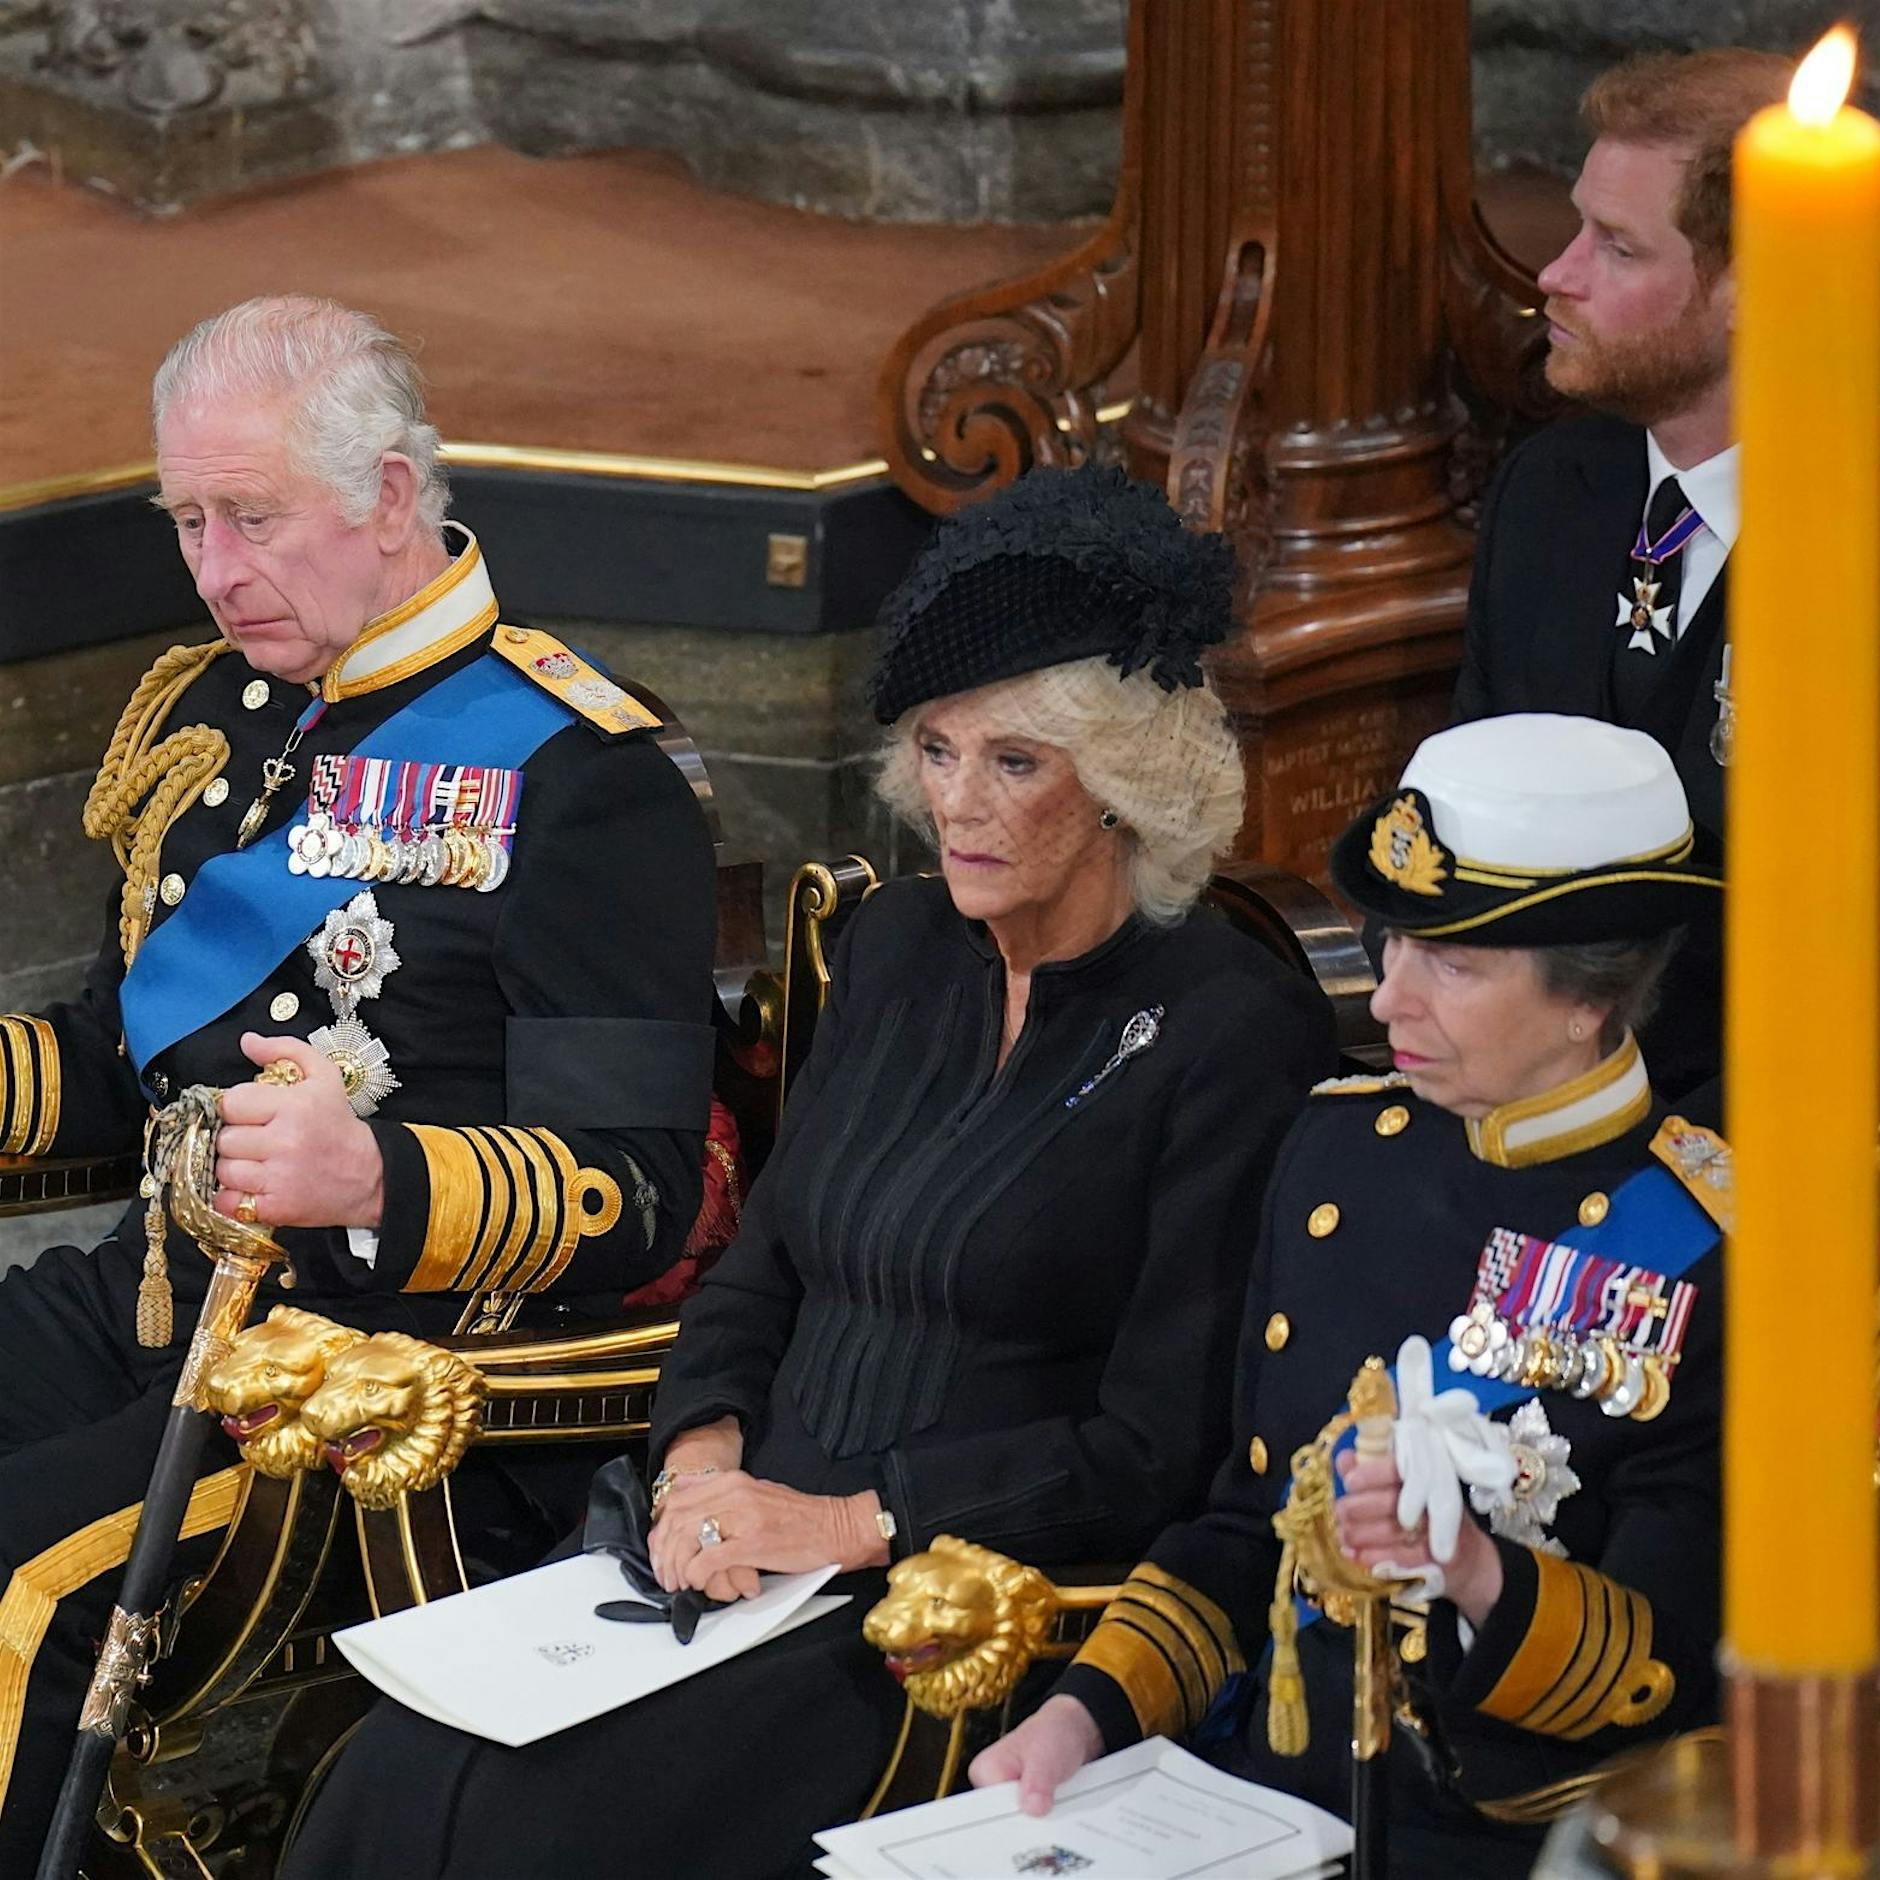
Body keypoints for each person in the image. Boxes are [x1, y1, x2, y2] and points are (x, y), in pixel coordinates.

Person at [282, 464, 1338, 1879]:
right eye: (942, 752)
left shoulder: (1227, 1027)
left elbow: (1156, 1450)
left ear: (1125, 792)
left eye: (1016, 763)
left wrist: (851, 1520)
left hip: (958, 1607)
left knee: (544, 1832)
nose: (957, 803)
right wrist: (701, 1453)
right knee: (397, 1779)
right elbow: (762, 1262)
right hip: (733, 1551)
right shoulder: (903, 949)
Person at [0, 296, 718, 1868]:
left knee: (14, 1590)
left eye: (249, 517)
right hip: (153, 1304)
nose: (209, 568)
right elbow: (130, 1062)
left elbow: (643, 1187)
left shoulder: (576, 774)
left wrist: (381, 1178)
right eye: (185, 518)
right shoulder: (211, 713)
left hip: (364, 1395)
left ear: (392, 496)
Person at [974, 713, 1728, 1878]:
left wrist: (1473, 1569)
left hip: (1501, 1831)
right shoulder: (1333, 1152)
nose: (1384, 1001)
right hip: (1257, 1795)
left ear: (1591, 998)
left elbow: (1666, 1666)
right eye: (1393, 942)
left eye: (1453, 963)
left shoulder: (1714, 1249)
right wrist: (1081, 1717)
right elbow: (1242, 1518)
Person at [1452, 48, 1790, 1105]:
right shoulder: (1554, 488)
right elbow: (1459, 810)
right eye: (1575, 226)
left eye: (1616, 246)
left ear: (1751, 285)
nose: (1555, 274)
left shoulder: (1846, 545)